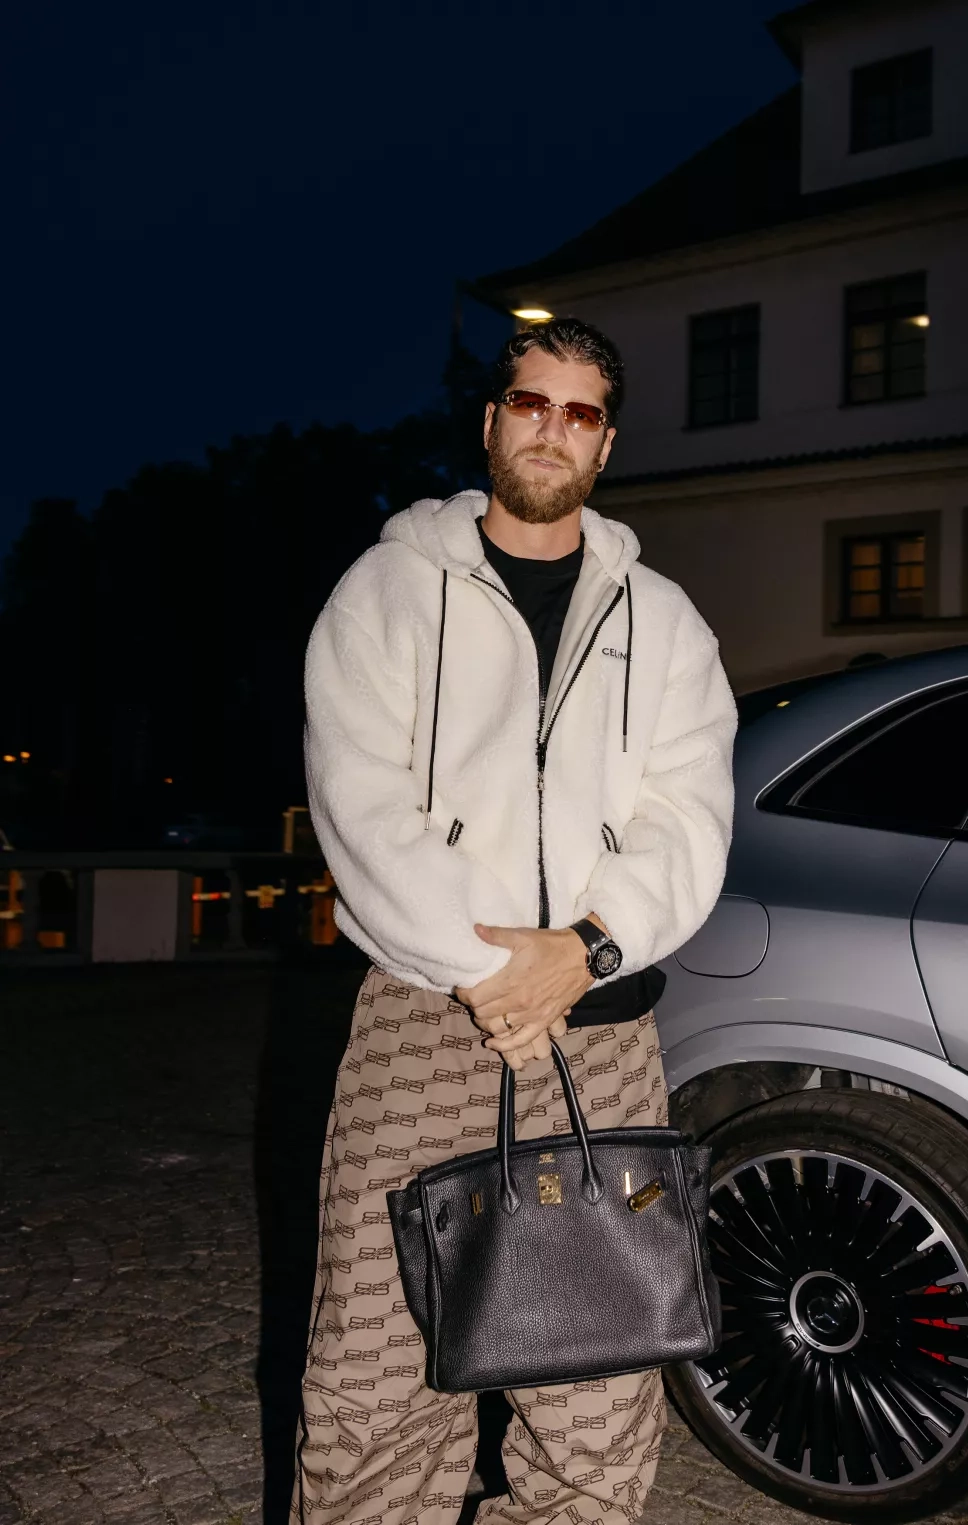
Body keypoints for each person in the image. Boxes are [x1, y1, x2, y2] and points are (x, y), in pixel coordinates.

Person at [294, 316, 737, 1525]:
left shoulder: (664, 621)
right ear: (491, 422)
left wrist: (580, 953)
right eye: (531, 403)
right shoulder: (384, 593)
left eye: (580, 412)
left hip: (603, 1032)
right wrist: (492, 971)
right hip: (423, 1021)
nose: (552, 429)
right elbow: (359, 803)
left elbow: (687, 818)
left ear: (607, 444)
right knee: (376, 1376)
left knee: (600, 1377)